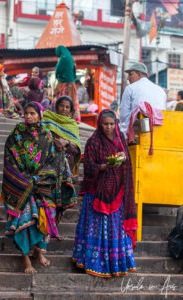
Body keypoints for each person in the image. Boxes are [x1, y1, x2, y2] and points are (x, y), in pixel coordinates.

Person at [0, 102, 77, 274]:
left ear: (39, 115)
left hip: (42, 184)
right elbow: (9, 157)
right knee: (24, 221)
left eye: (32, 113)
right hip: (21, 185)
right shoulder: (16, 134)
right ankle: (26, 260)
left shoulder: (47, 135)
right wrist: (24, 179)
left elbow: (53, 159)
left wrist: (41, 177)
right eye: (26, 113)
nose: (28, 116)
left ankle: (39, 251)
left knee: (47, 216)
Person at [72, 109, 137, 277]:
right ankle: (92, 263)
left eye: (112, 124)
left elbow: (127, 162)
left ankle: (117, 264)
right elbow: (88, 167)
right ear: (100, 125)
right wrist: (103, 166)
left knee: (116, 228)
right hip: (96, 193)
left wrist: (122, 158)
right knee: (96, 227)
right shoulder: (93, 142)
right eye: (105, 124)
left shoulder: (120, 138)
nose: (109, 127)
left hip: (118, 191)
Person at [119, 62, 167, 137]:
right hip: (158, 135)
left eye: (130, 74)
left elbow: (124, 116)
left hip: (137, 134)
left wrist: (124, 135)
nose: (128, 78)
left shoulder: (130, 88)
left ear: (139, 74)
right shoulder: (161, 91)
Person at [42, 95, 81, 174]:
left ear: (70, 110)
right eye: (61, 106)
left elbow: (76, 146)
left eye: (67, 107)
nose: (64, 109)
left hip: (66, 156)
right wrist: (54, 143)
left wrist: (66, 142)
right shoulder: (47, 118)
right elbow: (40, 136)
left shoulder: (72, 124)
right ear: (56, 107)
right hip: (48, 154)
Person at [54, 45, 80, 121]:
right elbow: (74, 72)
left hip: (62, 84)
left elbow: (57, 70)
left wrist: (58, 77)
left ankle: (61, 120)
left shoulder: (62, 59)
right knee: (73, 102)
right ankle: (75, 119)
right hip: (72, 84)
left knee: (61, 103)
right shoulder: (71, 58)